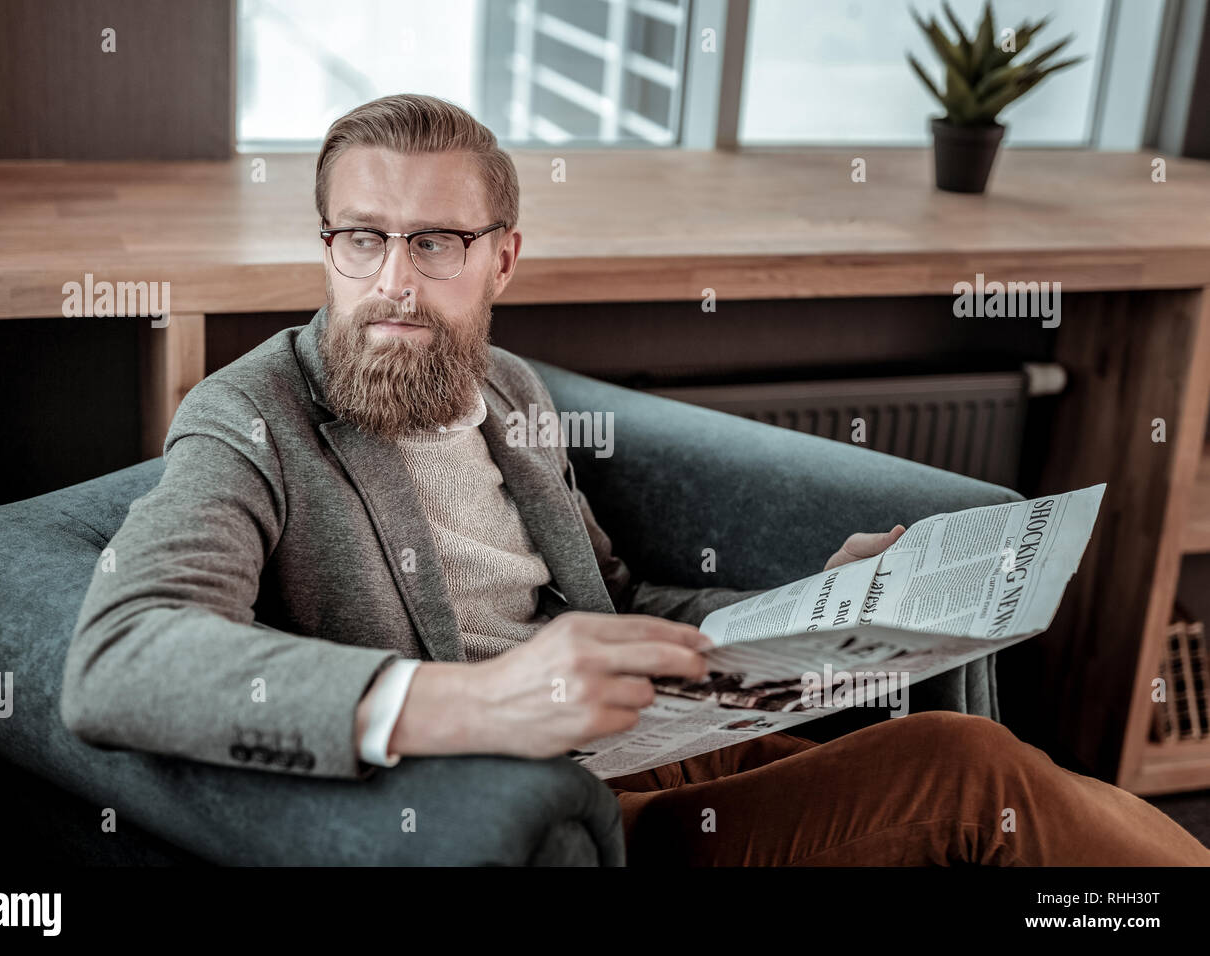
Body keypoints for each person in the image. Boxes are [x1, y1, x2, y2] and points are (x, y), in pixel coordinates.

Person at [61, 93, 1210, 866]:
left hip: (658, 730)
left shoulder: (508, 391)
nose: (394, 282)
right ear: (326, 246)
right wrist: (468, 701)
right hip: (542, 797)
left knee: (999, 787)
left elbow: (613, 602)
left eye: (435, 243)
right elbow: (119, 658)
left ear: (501, 256)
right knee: (970, 778)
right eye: (361, 239)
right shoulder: (247, 418)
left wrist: (816, 603)